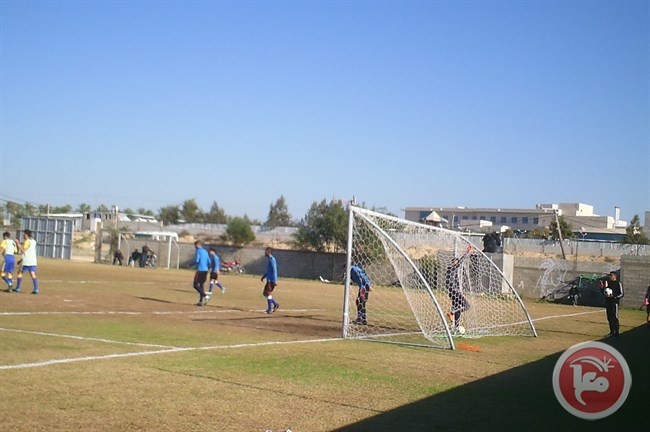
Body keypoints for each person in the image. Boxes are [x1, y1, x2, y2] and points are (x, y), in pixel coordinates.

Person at [445, 245, 472, 331]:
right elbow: (461, 261)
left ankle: (456, 326)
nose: (457, 263)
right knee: (467, 306)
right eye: (455, 262)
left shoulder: (449, 270)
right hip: (454, 292)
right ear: (453, 263)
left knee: (458, 307)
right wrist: (467, 252)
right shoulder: (453, 269)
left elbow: (448, 284)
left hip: (452, 292)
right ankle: (452, 312)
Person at [14, 229, 39, 295]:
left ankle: (18, 288)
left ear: (26, 235)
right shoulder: (34, 241)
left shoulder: (27, 241)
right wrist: (20, 260)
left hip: (26, 261)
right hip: (33, 261)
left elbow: (23, 251)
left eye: (24, 234)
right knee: (32, 274)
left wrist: (18, 243)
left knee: (20, 272)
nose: (23, 235)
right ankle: (36, 289)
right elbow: (28, 252)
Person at [602, 271, 624, 337]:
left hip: (614, 303)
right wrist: (602, 288)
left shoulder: (618, 283)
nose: (609, 276)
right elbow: (605, 292)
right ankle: (611, 332)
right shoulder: (608, 283)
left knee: (614, 317)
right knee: (609, 318)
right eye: (609, 275)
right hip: (608, 302)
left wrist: (614, 297)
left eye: (611, 275)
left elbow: (621, 293)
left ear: (614, 276)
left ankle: (616, 332)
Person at [189, 241, 210, 306]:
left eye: (195, 246)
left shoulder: (198, 251)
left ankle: (205, 296)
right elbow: (209, 261)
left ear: (197, 245)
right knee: (201, 285)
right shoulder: (205, 251)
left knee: (195, 285)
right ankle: (200, 301)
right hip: (205, 270)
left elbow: (197, 260)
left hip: (200, 270)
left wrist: (191, 264)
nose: (195, 247)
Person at [261, 247, 279, 314]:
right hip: (268, 279)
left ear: (268, 252)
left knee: (268, 294)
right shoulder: (269, 260)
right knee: (265, 293)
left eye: (265, 251)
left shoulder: (272, 260)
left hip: (271, 280)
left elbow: (274, 270)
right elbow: (268, 270)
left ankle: (269, 309)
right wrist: (263, 276)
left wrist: (275, 281)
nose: (264, 253)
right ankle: (275, 304)